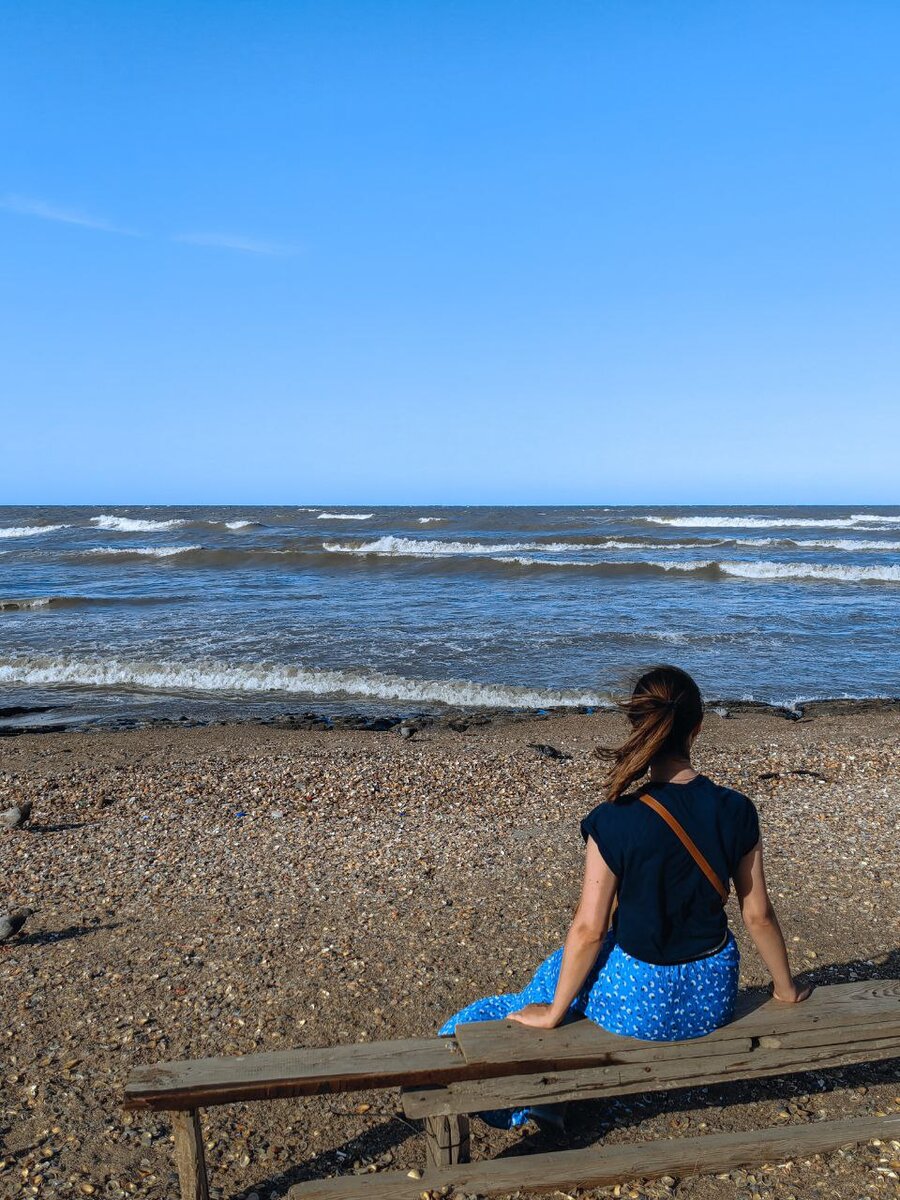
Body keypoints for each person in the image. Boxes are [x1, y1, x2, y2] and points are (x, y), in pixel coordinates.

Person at [438, 664, 811, 1129]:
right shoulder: (736, 809)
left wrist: (555, 1013)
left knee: (551, 979)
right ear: (696, 728)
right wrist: (785, 988)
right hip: (711, 997)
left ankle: (534, 1096)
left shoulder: (613, 820)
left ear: (637, 727)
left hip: (641, 1006)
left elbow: (590, 929)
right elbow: (757, 915)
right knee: (571, 967)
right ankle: (547, 1092)